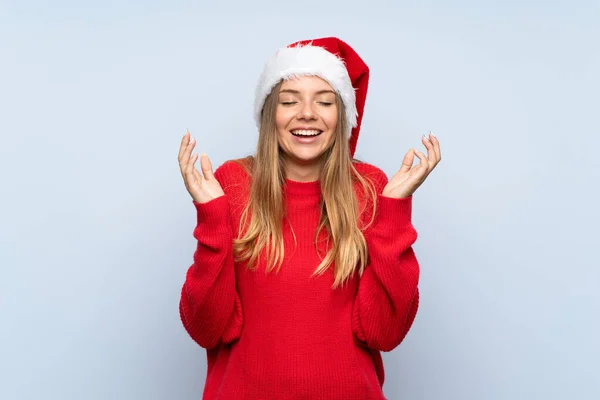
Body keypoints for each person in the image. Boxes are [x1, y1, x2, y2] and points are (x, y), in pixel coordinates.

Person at [177, 37, 441, 400]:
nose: (307, 113)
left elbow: (385, 332)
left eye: (325, 101)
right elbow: (207, 327)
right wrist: (212, 221)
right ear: (270, 114)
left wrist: (394, 207)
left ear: (342, 116)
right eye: (289, 101)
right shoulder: (233, 184)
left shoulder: (370, 189)